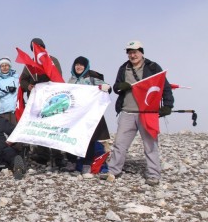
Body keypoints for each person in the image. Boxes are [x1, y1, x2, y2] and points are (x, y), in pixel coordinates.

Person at [103, 41, 174, 186]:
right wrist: (120, 87)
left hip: (147, 113)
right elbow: (116, 87)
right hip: (127, 112)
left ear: (141, 52)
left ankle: (154, 174)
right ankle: (113, 171)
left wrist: (168, 105)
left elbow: (164, 86)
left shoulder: (153, 67)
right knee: (120, 144)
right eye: (129, 52)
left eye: (135, 52)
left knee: (150, 145)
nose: (132, 55)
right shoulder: (124, 68)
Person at [19, 38, 64, 166]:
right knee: (40, 126)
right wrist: (28, 86)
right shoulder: (29, 64)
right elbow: (23, 80)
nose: (36, 49)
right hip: (35, 100)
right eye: (34, 47)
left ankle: (57, 155)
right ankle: (42, 154)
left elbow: (57, 77)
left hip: (51, 100)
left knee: (53, 126)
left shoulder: (52, 60)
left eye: (39, 46)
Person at [66, 56, 111, 176]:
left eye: (81, 65)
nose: (79, 67)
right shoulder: (71, 80)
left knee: (89, 140)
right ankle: (71, 160)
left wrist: (105, 87)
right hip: (74, 115)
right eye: (77, 64)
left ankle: (87, 163)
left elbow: (106, 86)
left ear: (86, 67)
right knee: (71, 137)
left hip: (89, 114)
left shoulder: (92, 78)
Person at [0, 57, 19, 125]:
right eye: (2, 66)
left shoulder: (16, 78)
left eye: (6, 65)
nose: (4, 67)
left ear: (10, 66)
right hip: (4, 111)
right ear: (0, 68)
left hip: (16, 110)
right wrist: (7, 89)